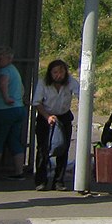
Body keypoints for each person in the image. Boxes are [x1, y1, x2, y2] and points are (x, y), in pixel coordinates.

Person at [30, 58, 78, 190]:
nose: (58, 75)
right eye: (55, 72)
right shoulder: (43, 83)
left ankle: (59, 182)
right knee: (43, 149)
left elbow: (81, 93)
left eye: (61, 72)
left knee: (63, 148)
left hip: (64, 117)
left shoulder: (70, 82)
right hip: (45, 116)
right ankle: (41, 181)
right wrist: (47, 117)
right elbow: (36, 102)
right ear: (50, 73)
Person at [0, 46, 27, 180]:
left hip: (4, 110)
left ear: (9, 58)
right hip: (18, 109)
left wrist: (6, 97)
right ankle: (19, 172)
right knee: (14, 140)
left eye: (0, 57)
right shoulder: (15, 70)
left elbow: (3, 83)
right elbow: (22, 89)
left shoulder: (4, 71)